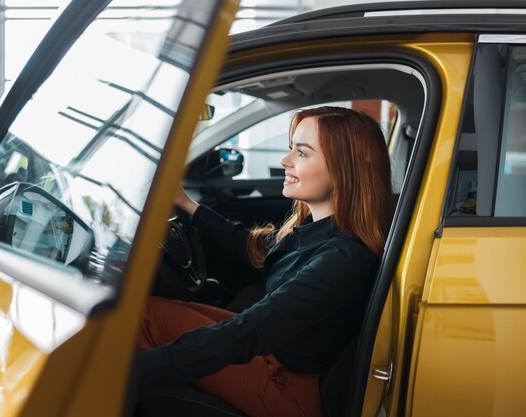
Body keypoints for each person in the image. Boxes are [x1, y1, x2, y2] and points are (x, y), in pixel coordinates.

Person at [136, 106, 394, 417]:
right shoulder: (317, 229)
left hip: (290, 388)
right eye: (290, 149)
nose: (285, 161)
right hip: (277, 356)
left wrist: (139, 372)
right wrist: (184, 203)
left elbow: (250, 332)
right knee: (155, 310)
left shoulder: (343, 258)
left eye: (302, 152)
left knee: (148, 321)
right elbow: (248, 244)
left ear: (345, 167)